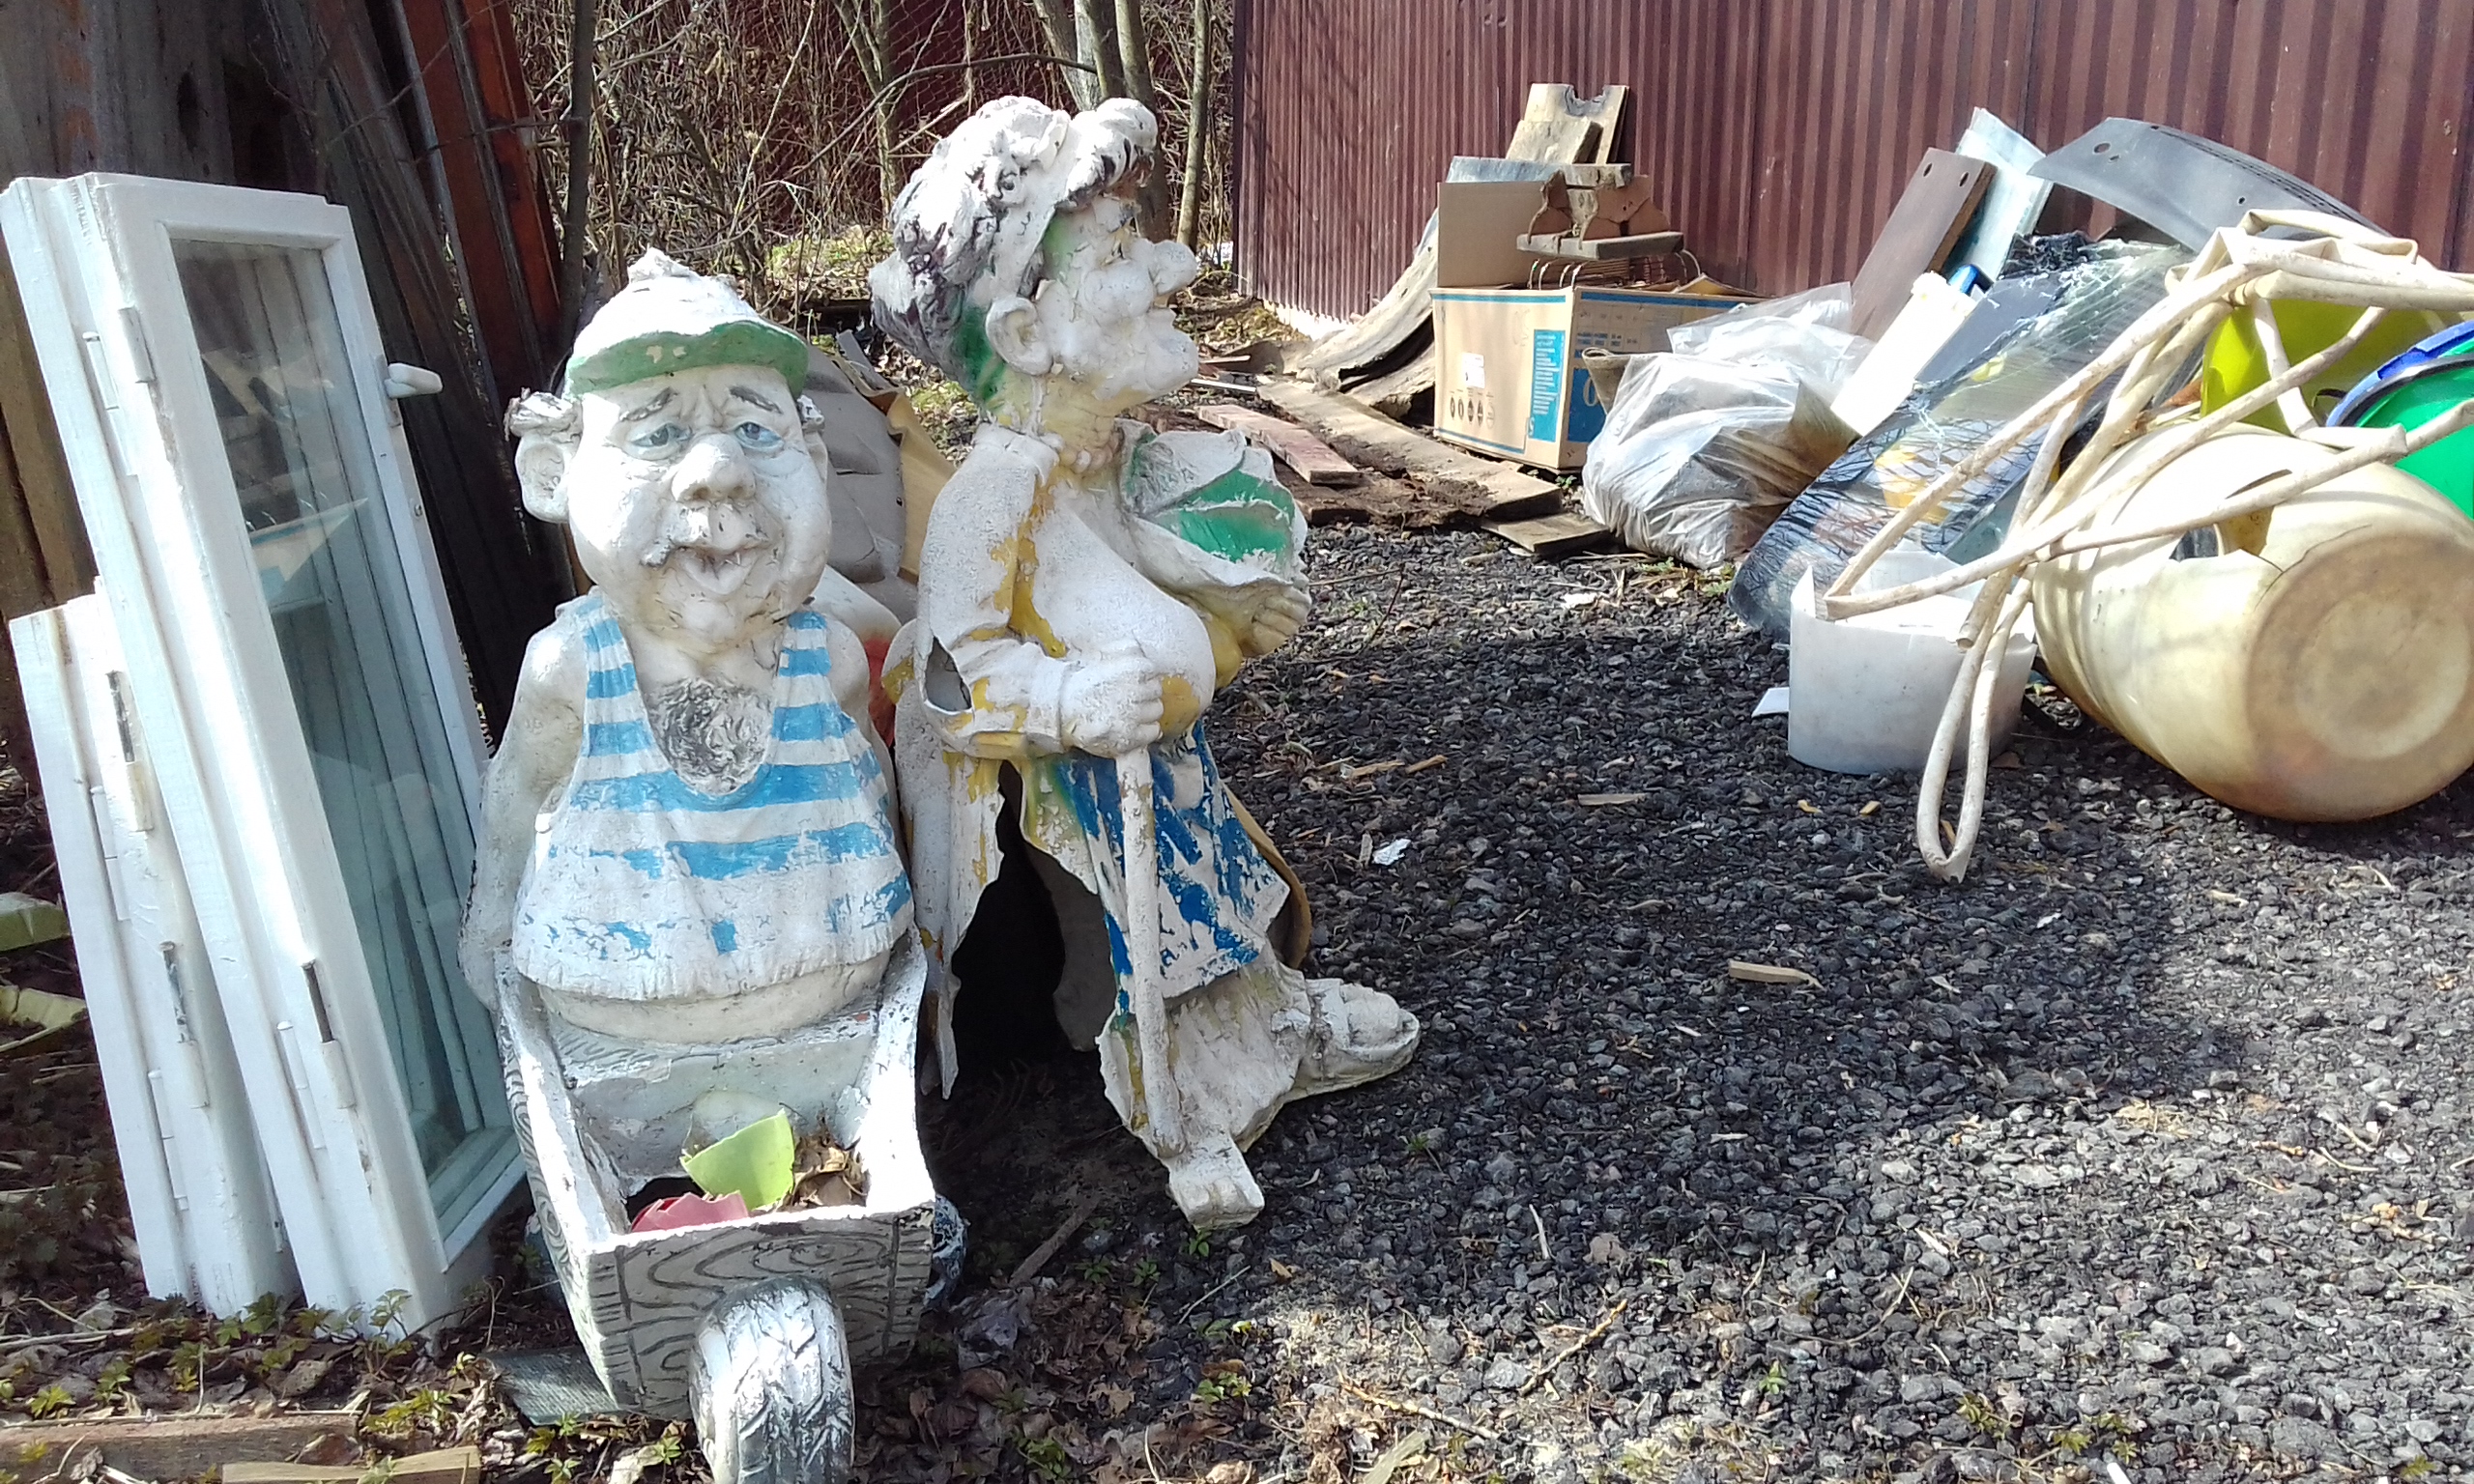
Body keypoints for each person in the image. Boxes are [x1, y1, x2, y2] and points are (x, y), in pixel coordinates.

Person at [871, 97, 1417, 1227]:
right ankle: (1183, 1113)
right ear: (1025, 335)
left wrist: (1231, 624)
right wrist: (1066, 698)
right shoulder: (995, 494)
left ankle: (1267, 1026)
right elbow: (954, 674)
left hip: (1171, 772)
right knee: (1151, 941)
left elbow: (1147, 606)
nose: (1174, 264)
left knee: (1217, 903)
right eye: (1120, 250)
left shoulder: (1107, 460)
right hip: (1085, 796)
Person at [461, 250, 909, 1060]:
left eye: (756, 431)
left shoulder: (831, 659)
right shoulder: (574, 669)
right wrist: (490, 937)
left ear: (813, 463)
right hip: (617, 1029)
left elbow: (872, 791)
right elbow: (517, 800)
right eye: (659, 435)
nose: (719, 472)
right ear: (553, 475)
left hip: (837, 1017)